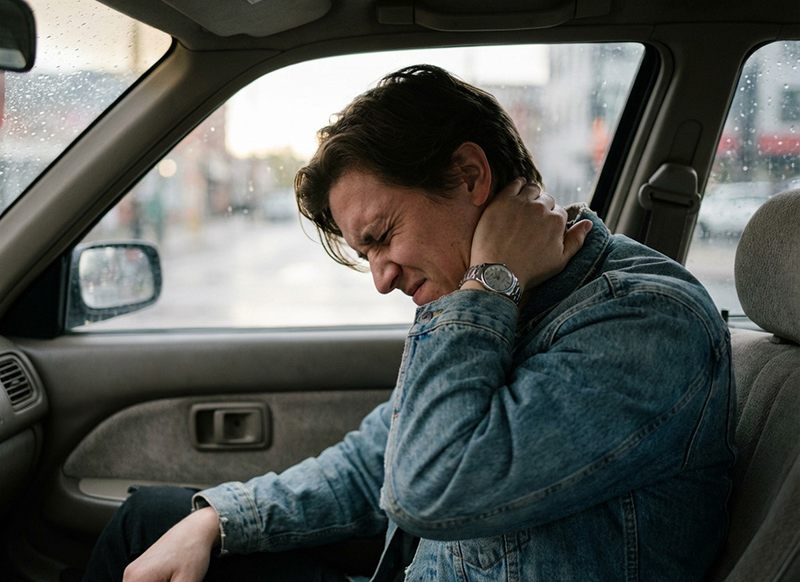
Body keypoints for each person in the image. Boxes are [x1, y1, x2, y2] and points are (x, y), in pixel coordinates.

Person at [82, 64, 736, 582]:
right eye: (366, 255)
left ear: (470, 175)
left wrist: (489, 284)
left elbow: (428, 490)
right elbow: (376, 461)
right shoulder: (508, 305)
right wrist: (218, 520)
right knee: (156, 523)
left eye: (383, 235)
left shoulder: (644, 321)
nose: (382, 278)